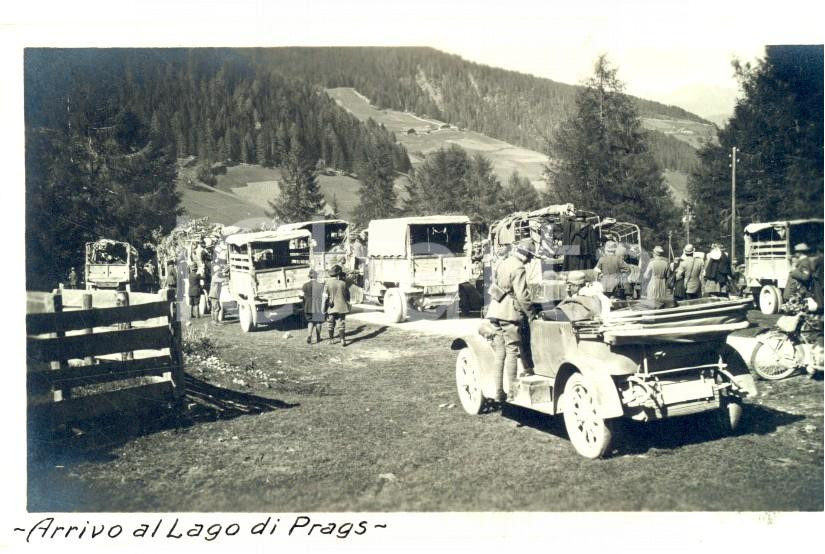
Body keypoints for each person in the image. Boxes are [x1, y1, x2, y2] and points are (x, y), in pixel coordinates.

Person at [485, 239, 537, 402]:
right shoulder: (519, 267)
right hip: (509, 314)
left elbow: (495, 284)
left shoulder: (503, 262)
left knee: (500, 353)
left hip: (495, 310)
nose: (530, 260)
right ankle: (513, 393)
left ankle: (499, 392)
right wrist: (531, 313)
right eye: (530, 256)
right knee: (512, 352)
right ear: (526, 254)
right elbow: (522, 295)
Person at [323, 264, 351, 346]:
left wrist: (323, 308)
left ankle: (331, 340)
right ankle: (342, 340)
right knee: (341, 324)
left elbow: (324, 297)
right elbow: (348, 297)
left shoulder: (327, 284)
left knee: (330, 324)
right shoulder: (343, 283)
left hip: (331, 308)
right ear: (338, 274)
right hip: (342, 307)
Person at [302, 269, 325, 343]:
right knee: (318, 322)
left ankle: (309, 335)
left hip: (308, 306)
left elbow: (300, 296)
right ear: (316, 277)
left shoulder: (305, 285)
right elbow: (324, 296)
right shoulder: (321, 285)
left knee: (310, 321)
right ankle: (318, 337)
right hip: (318, 306)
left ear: (309, 277)